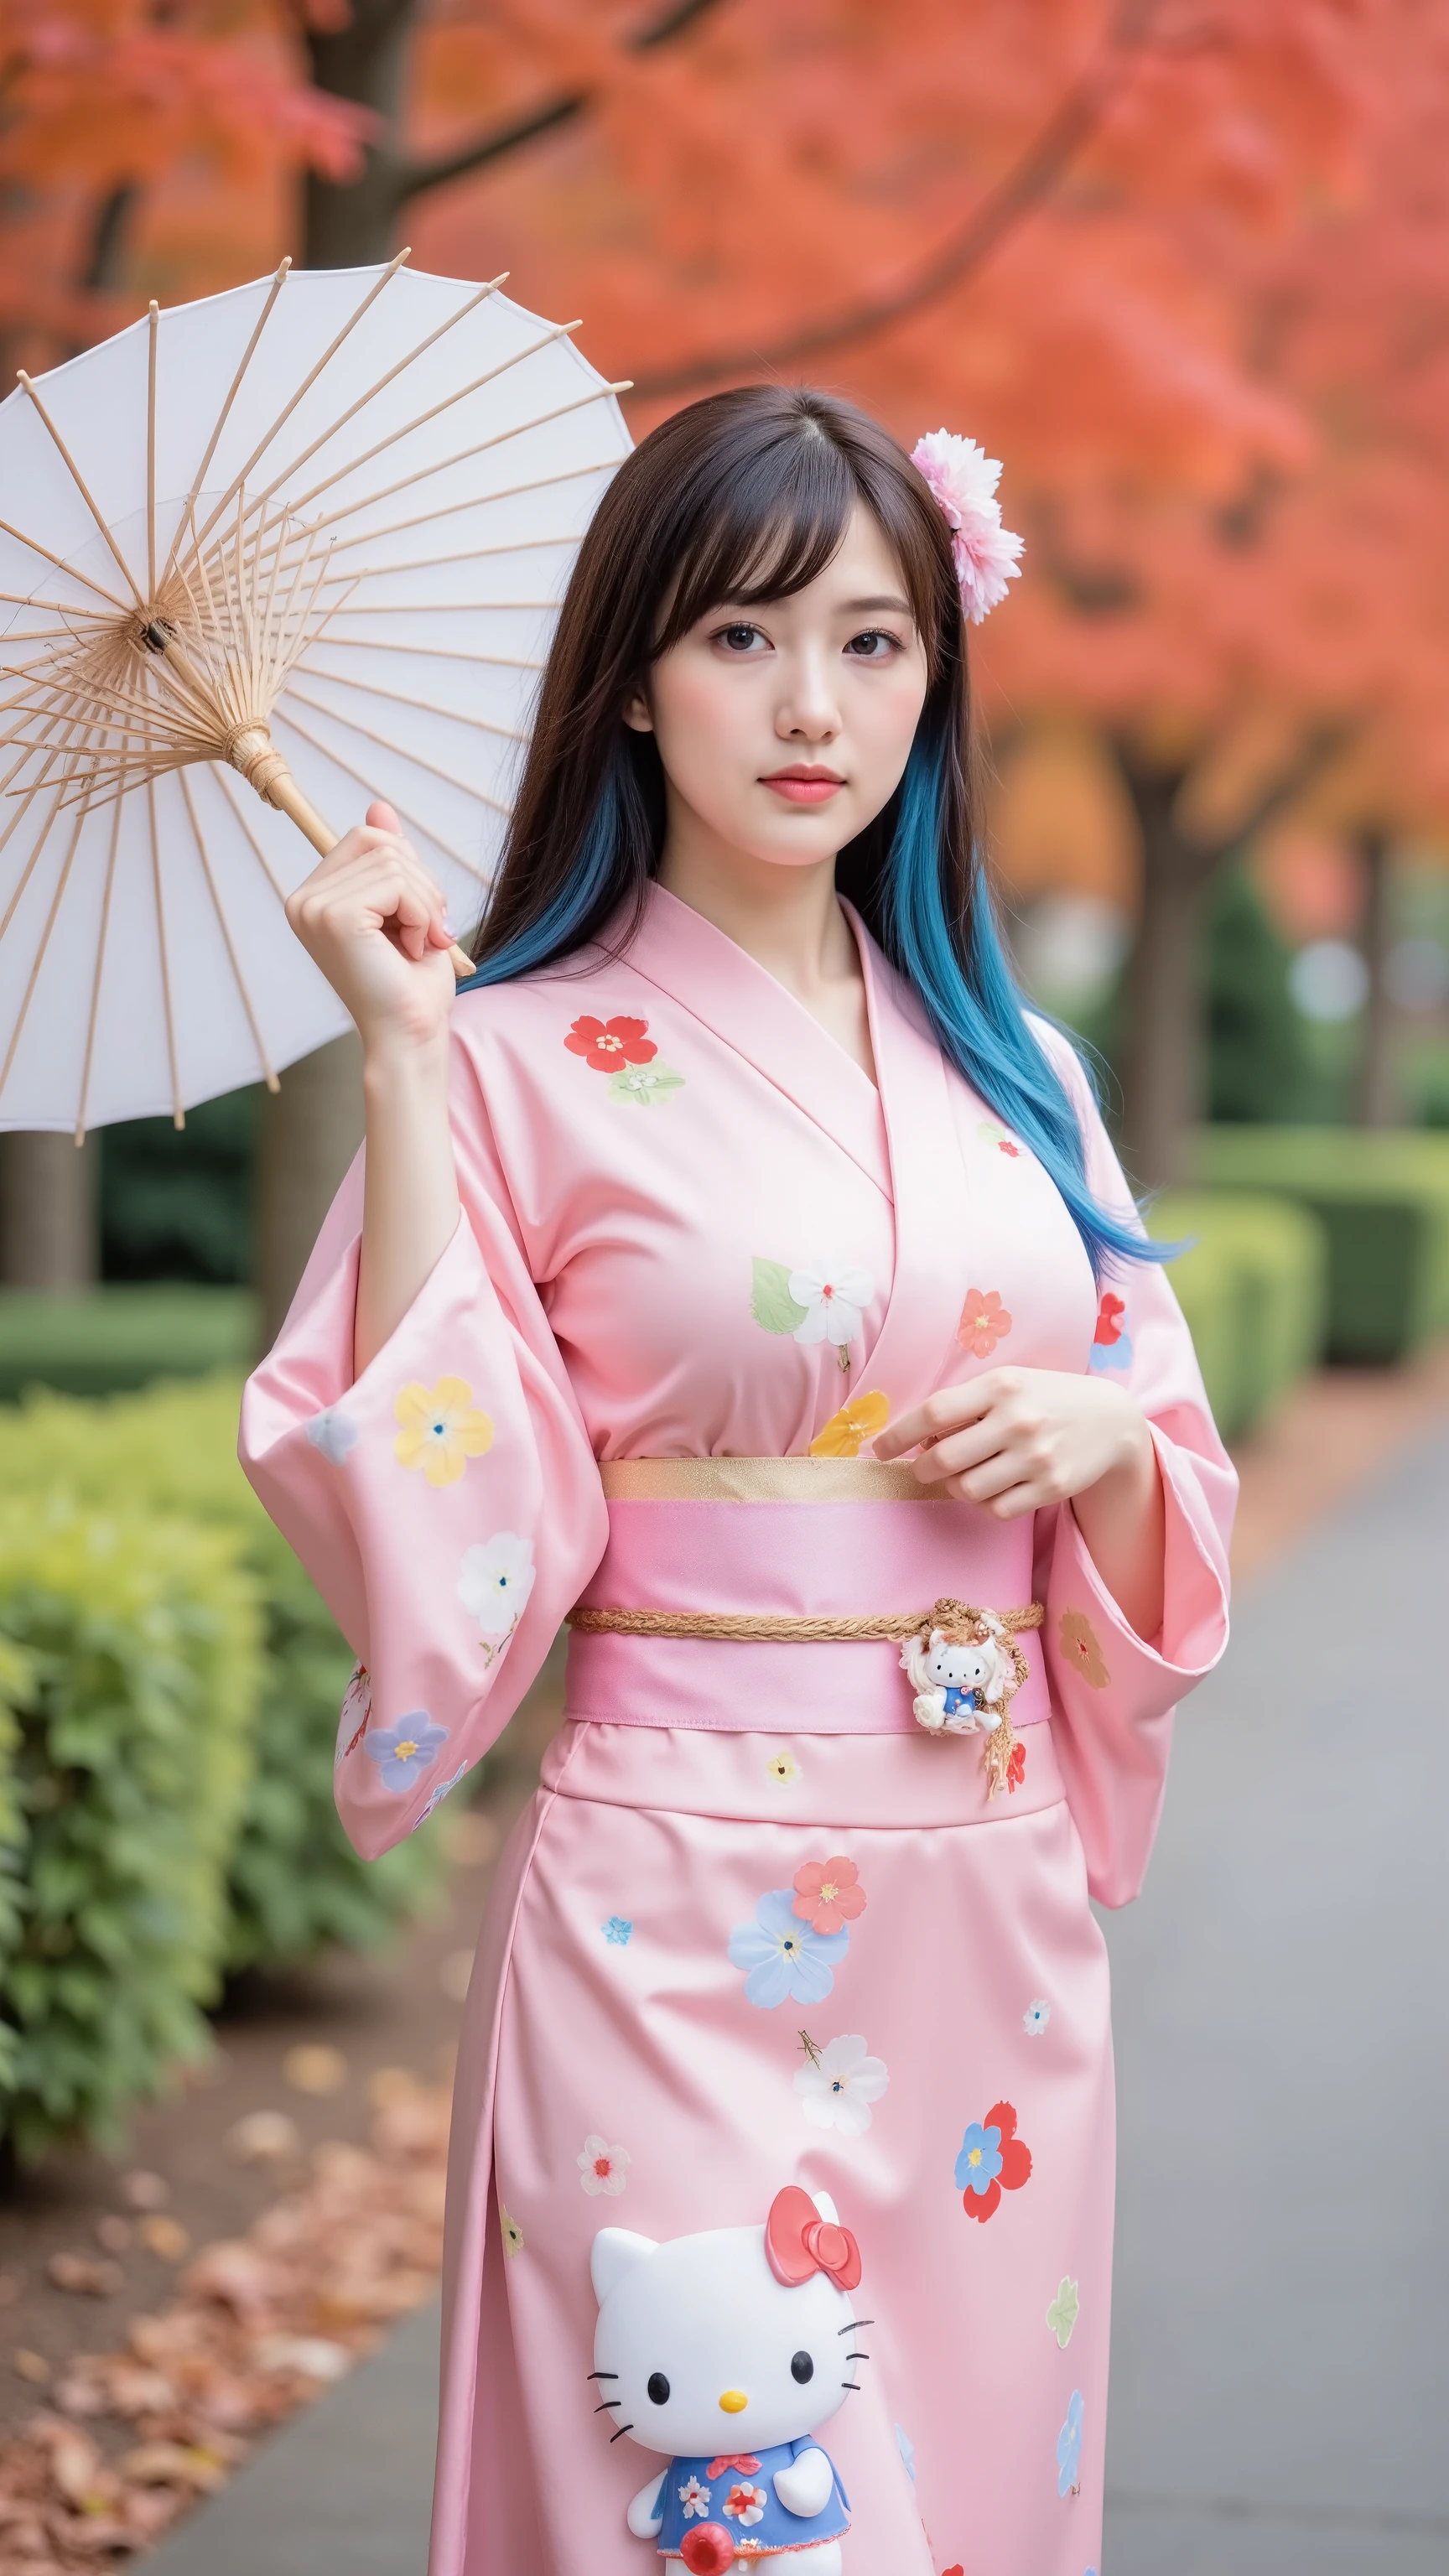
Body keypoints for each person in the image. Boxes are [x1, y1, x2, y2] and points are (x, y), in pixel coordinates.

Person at [241, 386, 1234, 2576]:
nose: (815, 706)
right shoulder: (499, 1054)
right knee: (732, 2521)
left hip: (986, 1912)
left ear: (939, 682)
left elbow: (1165, 1468)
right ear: (628, 676)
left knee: (963, 2508)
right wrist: (407, 1063)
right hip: (668, 1912)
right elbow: (446, 1467)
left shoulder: (1015, 1069)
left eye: (876, 644)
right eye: (745, 638)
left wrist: (1105, 1446)